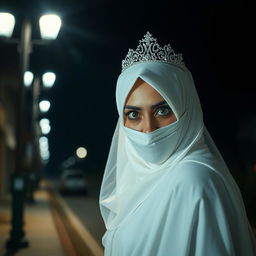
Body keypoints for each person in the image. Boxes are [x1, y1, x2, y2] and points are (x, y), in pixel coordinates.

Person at [99, 32, 256, 255]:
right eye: (134, 115)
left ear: (187, 110)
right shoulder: (139, 179)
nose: (148, 129)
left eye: (162, 110)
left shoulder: (194, 181)